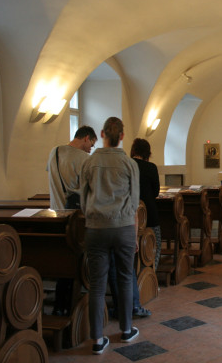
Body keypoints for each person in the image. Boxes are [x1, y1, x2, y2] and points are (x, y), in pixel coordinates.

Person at [80, 117, 140, 355]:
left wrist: (93, 215)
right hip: (123, 226)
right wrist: (130, 227)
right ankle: (126, 330)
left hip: (96, 228)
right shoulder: (129, 163)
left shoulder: (90, 162)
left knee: (97, 284)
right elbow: (134, 201)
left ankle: (97, 339)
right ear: (122, 136)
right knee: (125, 278)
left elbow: (83, 198)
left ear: (102, 133)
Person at [46, 125, 97, 316]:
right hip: (76, 218)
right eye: (91, 143)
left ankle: (60, 305)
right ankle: (71, 306)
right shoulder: (85, 159)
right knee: (75, 262)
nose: (91, 148)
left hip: (55, 214)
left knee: (63, 261)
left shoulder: (54, 152)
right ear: (86, 138)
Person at [108, 138, 160, 320]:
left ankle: (128, 299)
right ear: (148, 152)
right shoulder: (150, 167)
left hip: (125, 217)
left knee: (124, 261)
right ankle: (151, 280)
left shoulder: (125, 165)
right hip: (148, 214)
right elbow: (155, 192)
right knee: (153, 247)